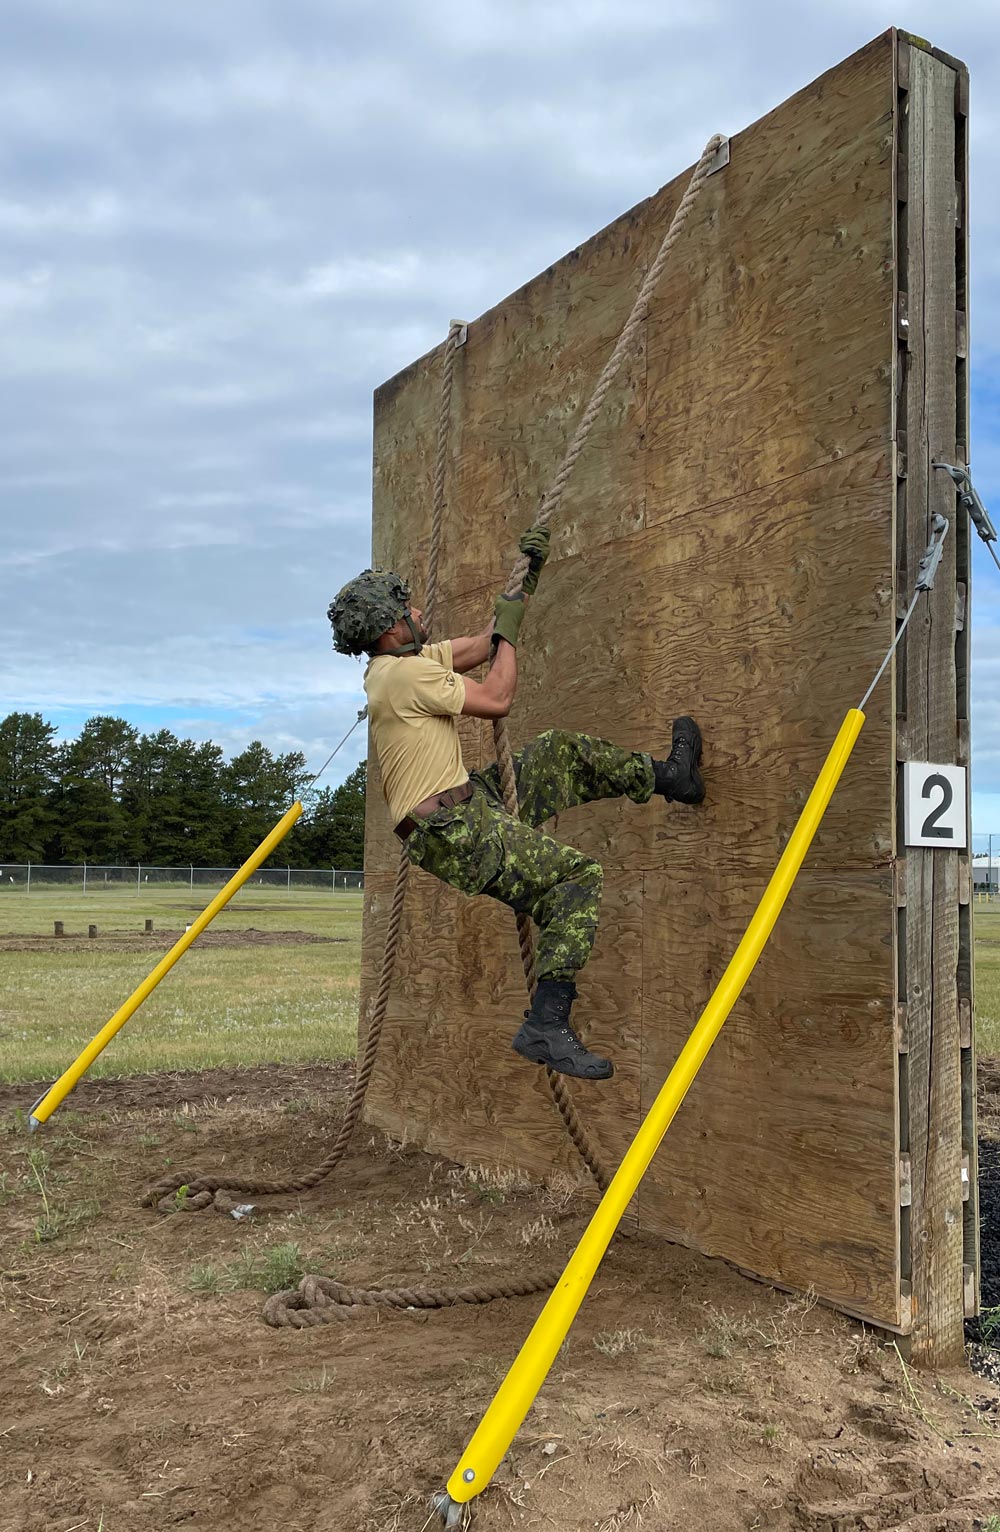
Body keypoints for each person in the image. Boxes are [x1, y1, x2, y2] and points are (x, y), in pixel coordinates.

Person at [328, 528, 704, 1081]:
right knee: (575, 879)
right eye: (407, 606)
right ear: (390, 627)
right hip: (453, 828)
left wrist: (527, 578)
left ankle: (671, 778)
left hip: (465, 807)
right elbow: (498, 697)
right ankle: (548, 1022)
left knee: (558, 754)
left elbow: (483, 645)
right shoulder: (404, 675)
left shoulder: (406, 661)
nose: (417, 608)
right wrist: (508, 636)